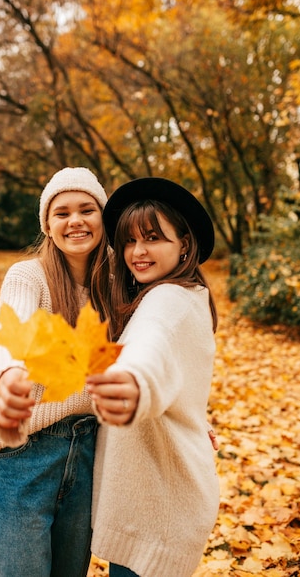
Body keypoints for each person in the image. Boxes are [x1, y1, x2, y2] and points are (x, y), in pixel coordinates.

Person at [0, 166, 111, 577]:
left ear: (103, 217)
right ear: (48, 225)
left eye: (87, 209)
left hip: (89, 457)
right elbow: (9, 334)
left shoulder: (119, 284)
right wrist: (8, 377)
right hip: (25, 457)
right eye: (62, 213)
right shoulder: (28, 276)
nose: (75, 220)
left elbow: (153, 351)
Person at [86, 177, 220, 577]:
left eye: (152, 237)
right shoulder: (184, 294)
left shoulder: (165, 301)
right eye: (128, 240)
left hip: (157, 516)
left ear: (184, 243)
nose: (137, 252)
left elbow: (150, 352)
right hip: (160, 508)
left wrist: (132, 384)